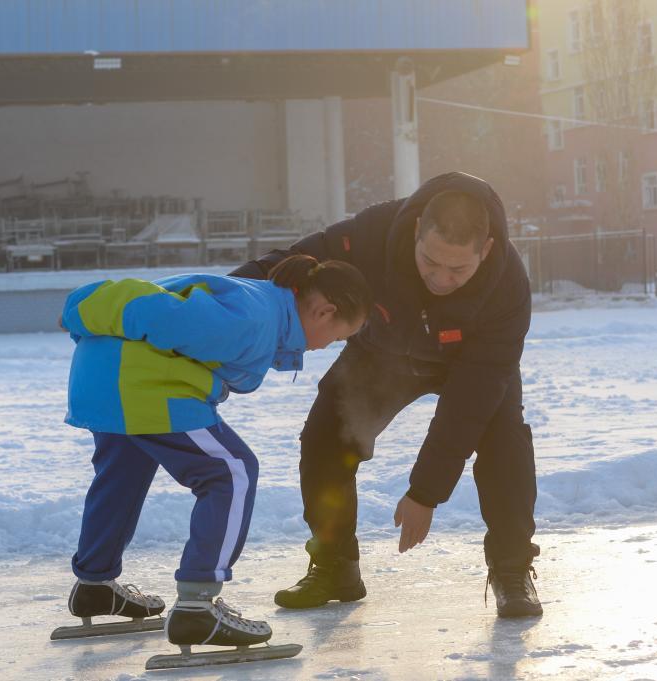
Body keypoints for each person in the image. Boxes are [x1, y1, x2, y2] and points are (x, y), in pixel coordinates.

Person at [231, 171, 542, 617]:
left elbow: (470, 402)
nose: (441, 278)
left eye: (458, 269)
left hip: (471, 366)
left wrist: (425, 492)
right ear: (417, 231)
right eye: (430, 262)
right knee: (326, 435)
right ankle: (334, 564)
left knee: (504, 441)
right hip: (383, 352)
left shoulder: (508, 287)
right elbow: (291, 265)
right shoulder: (374, 233)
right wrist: (220, 297)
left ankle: (511, 571)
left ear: (486, 249)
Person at [60, 255, 372, 648]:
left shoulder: (261, 306)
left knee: (122, 477)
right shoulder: (252, 318)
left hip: (102, 385)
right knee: (232, 472)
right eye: (340, 337)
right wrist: (78, 309)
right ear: (325, 312)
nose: (330, 345)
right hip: (143, 388)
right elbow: (151, 308)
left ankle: (95, 583)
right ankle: (198, 606)